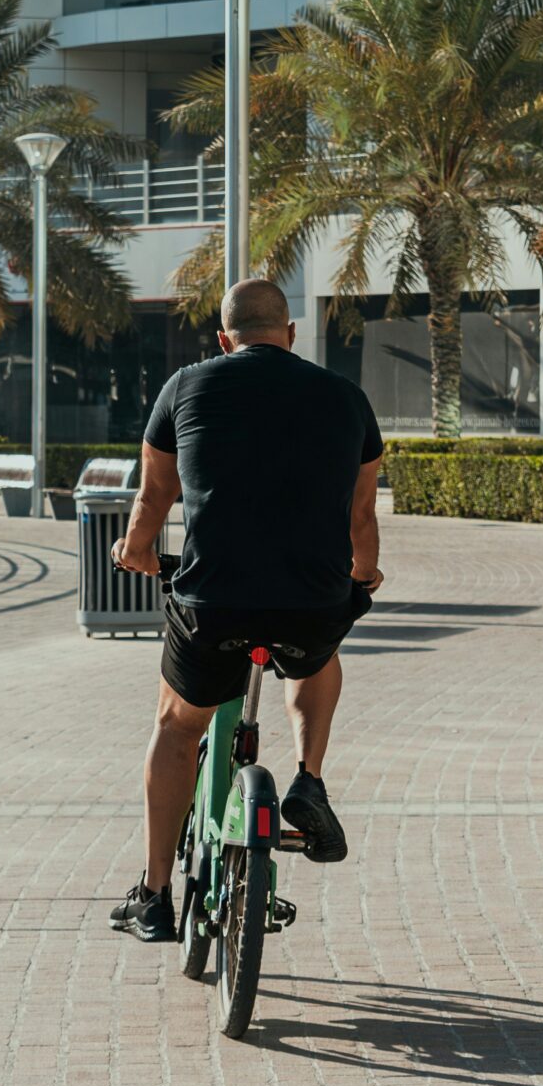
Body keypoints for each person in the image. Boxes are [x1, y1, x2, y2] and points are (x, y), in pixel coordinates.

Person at [106, 278, 386, 942]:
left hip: (214, 605)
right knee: (320, 648)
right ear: (290, 335)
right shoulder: (347, 398)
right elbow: (363, 515)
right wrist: (364, 575)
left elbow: (151, 503)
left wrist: (137, 552)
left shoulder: (186, 386)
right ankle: (308, 779)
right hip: (310, 605)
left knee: (178, 728)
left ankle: (152, 895)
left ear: (224, 340)